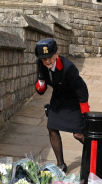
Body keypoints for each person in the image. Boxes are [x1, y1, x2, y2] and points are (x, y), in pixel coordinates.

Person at [34, 38, 90, 173]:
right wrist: (41, 80)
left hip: (73, 100)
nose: (47, 61)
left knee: (78, 134)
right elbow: (41, 91)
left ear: (56, 54)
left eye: (49, 57)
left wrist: (85, 113)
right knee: (52, 127)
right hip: (58, 98)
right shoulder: (41, 64)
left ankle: (98, 152)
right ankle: (61, 165)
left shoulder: (68, 67)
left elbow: (81, 89)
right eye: (43, 58)